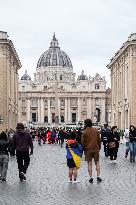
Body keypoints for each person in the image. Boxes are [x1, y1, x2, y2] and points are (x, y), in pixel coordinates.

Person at [81, 119, 102, 183]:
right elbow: (99, 140)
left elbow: (82, 142)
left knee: (89, 164)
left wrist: (83, 149)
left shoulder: (84, 132)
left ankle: (91, 177)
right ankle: (98, 176)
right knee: (97, 163)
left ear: (86, 124)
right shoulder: (96, 131)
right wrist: (99, 147)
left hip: (88, 149)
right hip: (96, 149)